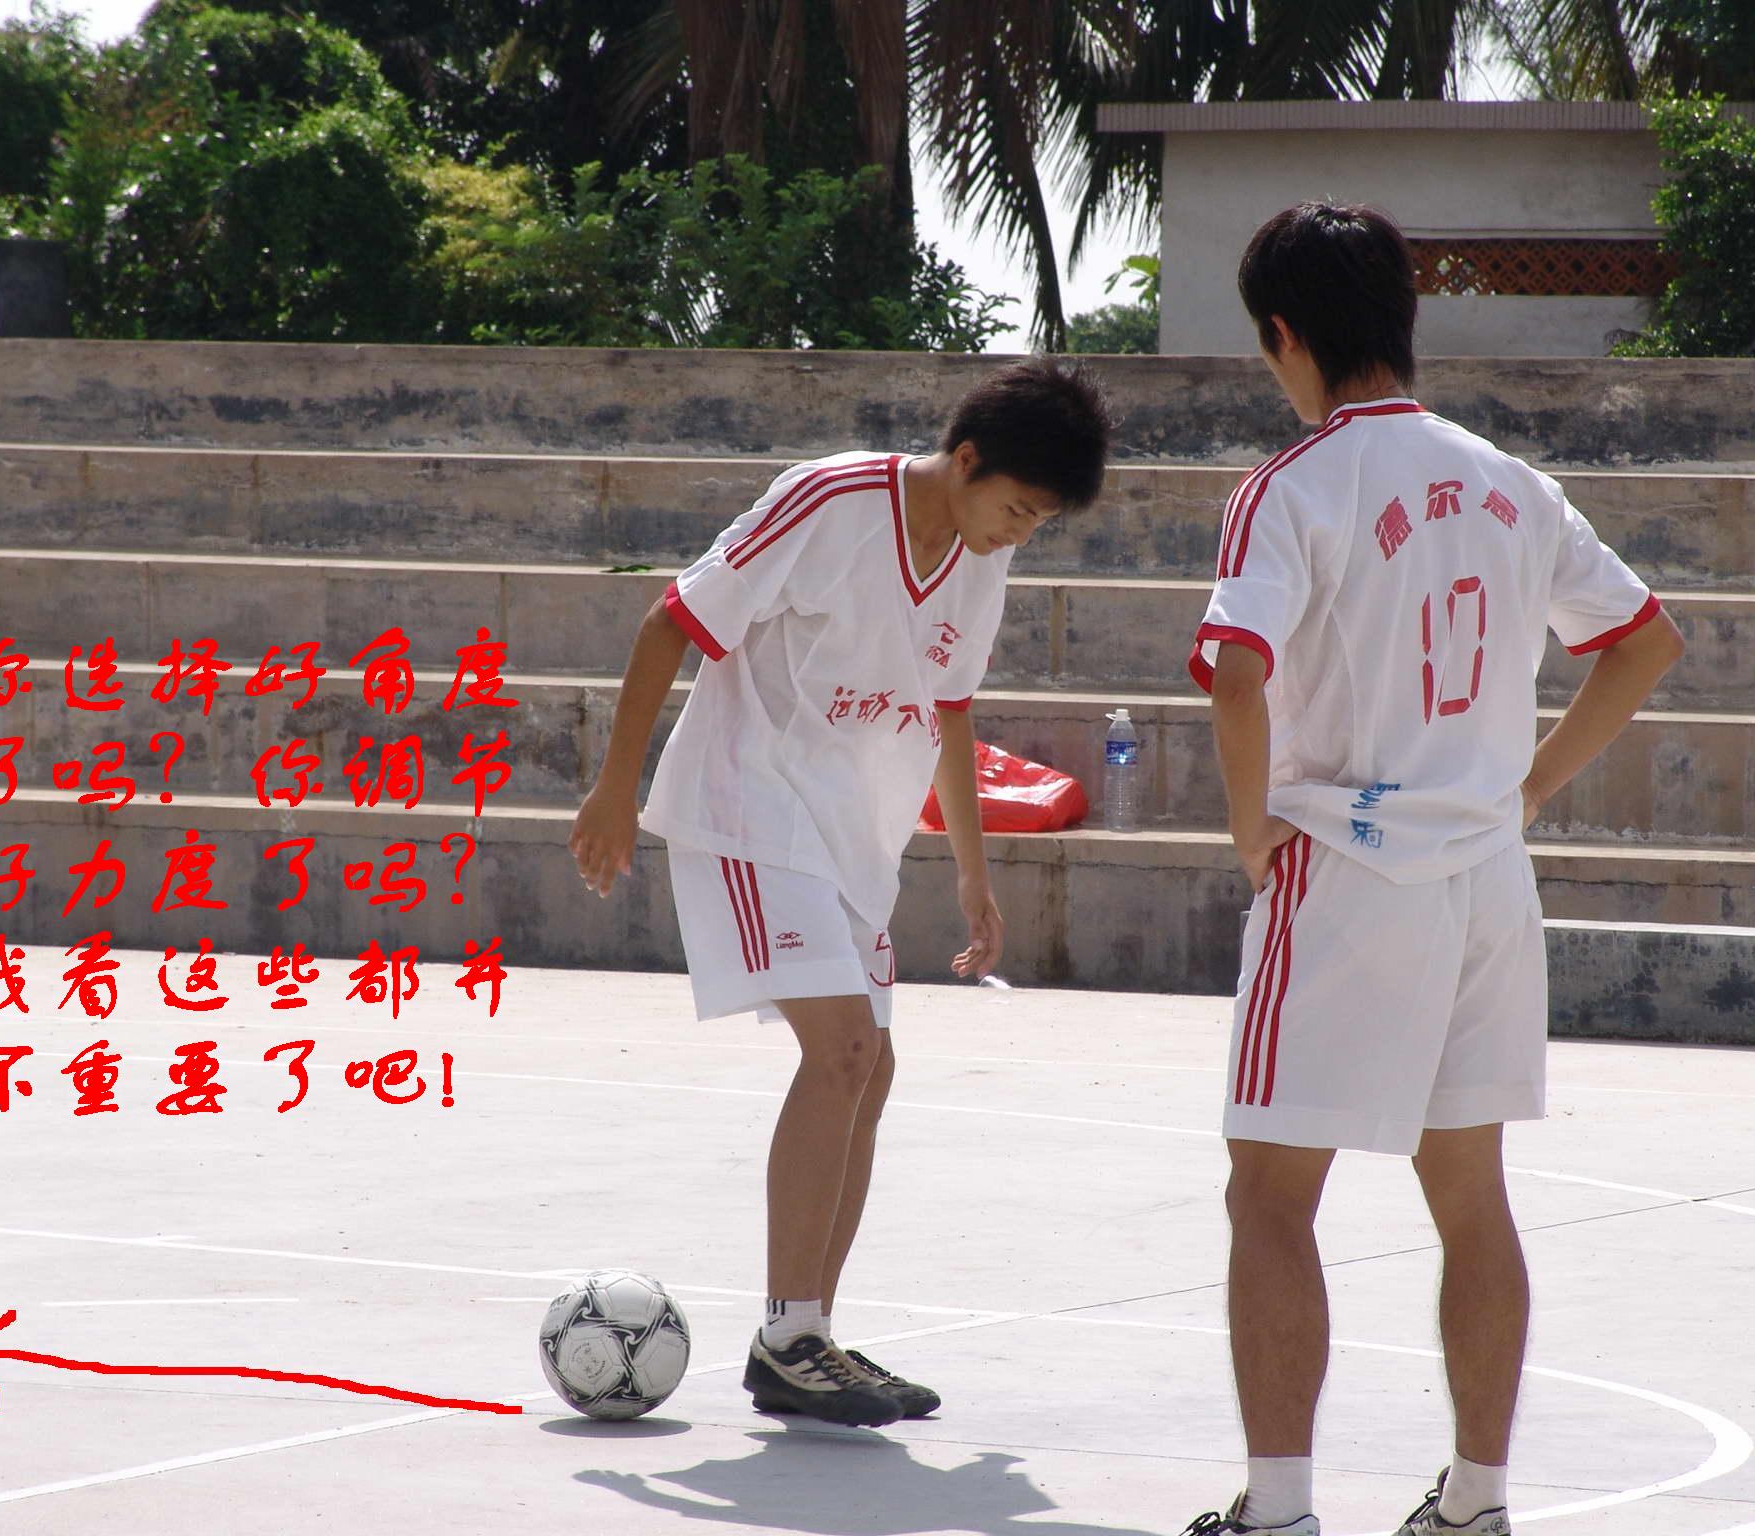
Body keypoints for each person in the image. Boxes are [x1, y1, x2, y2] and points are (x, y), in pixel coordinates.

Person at [1179, 203, 1685, 1536]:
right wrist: (1528, 788)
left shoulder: (1291, 486)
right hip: (1485, 878)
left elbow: (1234, 671)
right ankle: (1476, 1502)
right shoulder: (1511, 483)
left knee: (1268, 1193)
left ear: (1283, 336)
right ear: (1402, 318)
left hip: (1348, 864)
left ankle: (1279, 1511)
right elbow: (1642, 641)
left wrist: (1248, 828)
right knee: (1470, 1202)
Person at [569, 358, 1113, 1429]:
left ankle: (805, 1335)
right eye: (1015, 508)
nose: (1018, 532)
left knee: (873, 1066)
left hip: (848, 840)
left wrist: (971, 870)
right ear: (965, 460)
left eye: (1038, 522)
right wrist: (614, 790)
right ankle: (787, 1339)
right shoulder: (830, 499)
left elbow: (950, 709)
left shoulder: (980, 557)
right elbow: (672, 618)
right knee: (844, 1050)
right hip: (748, 807)